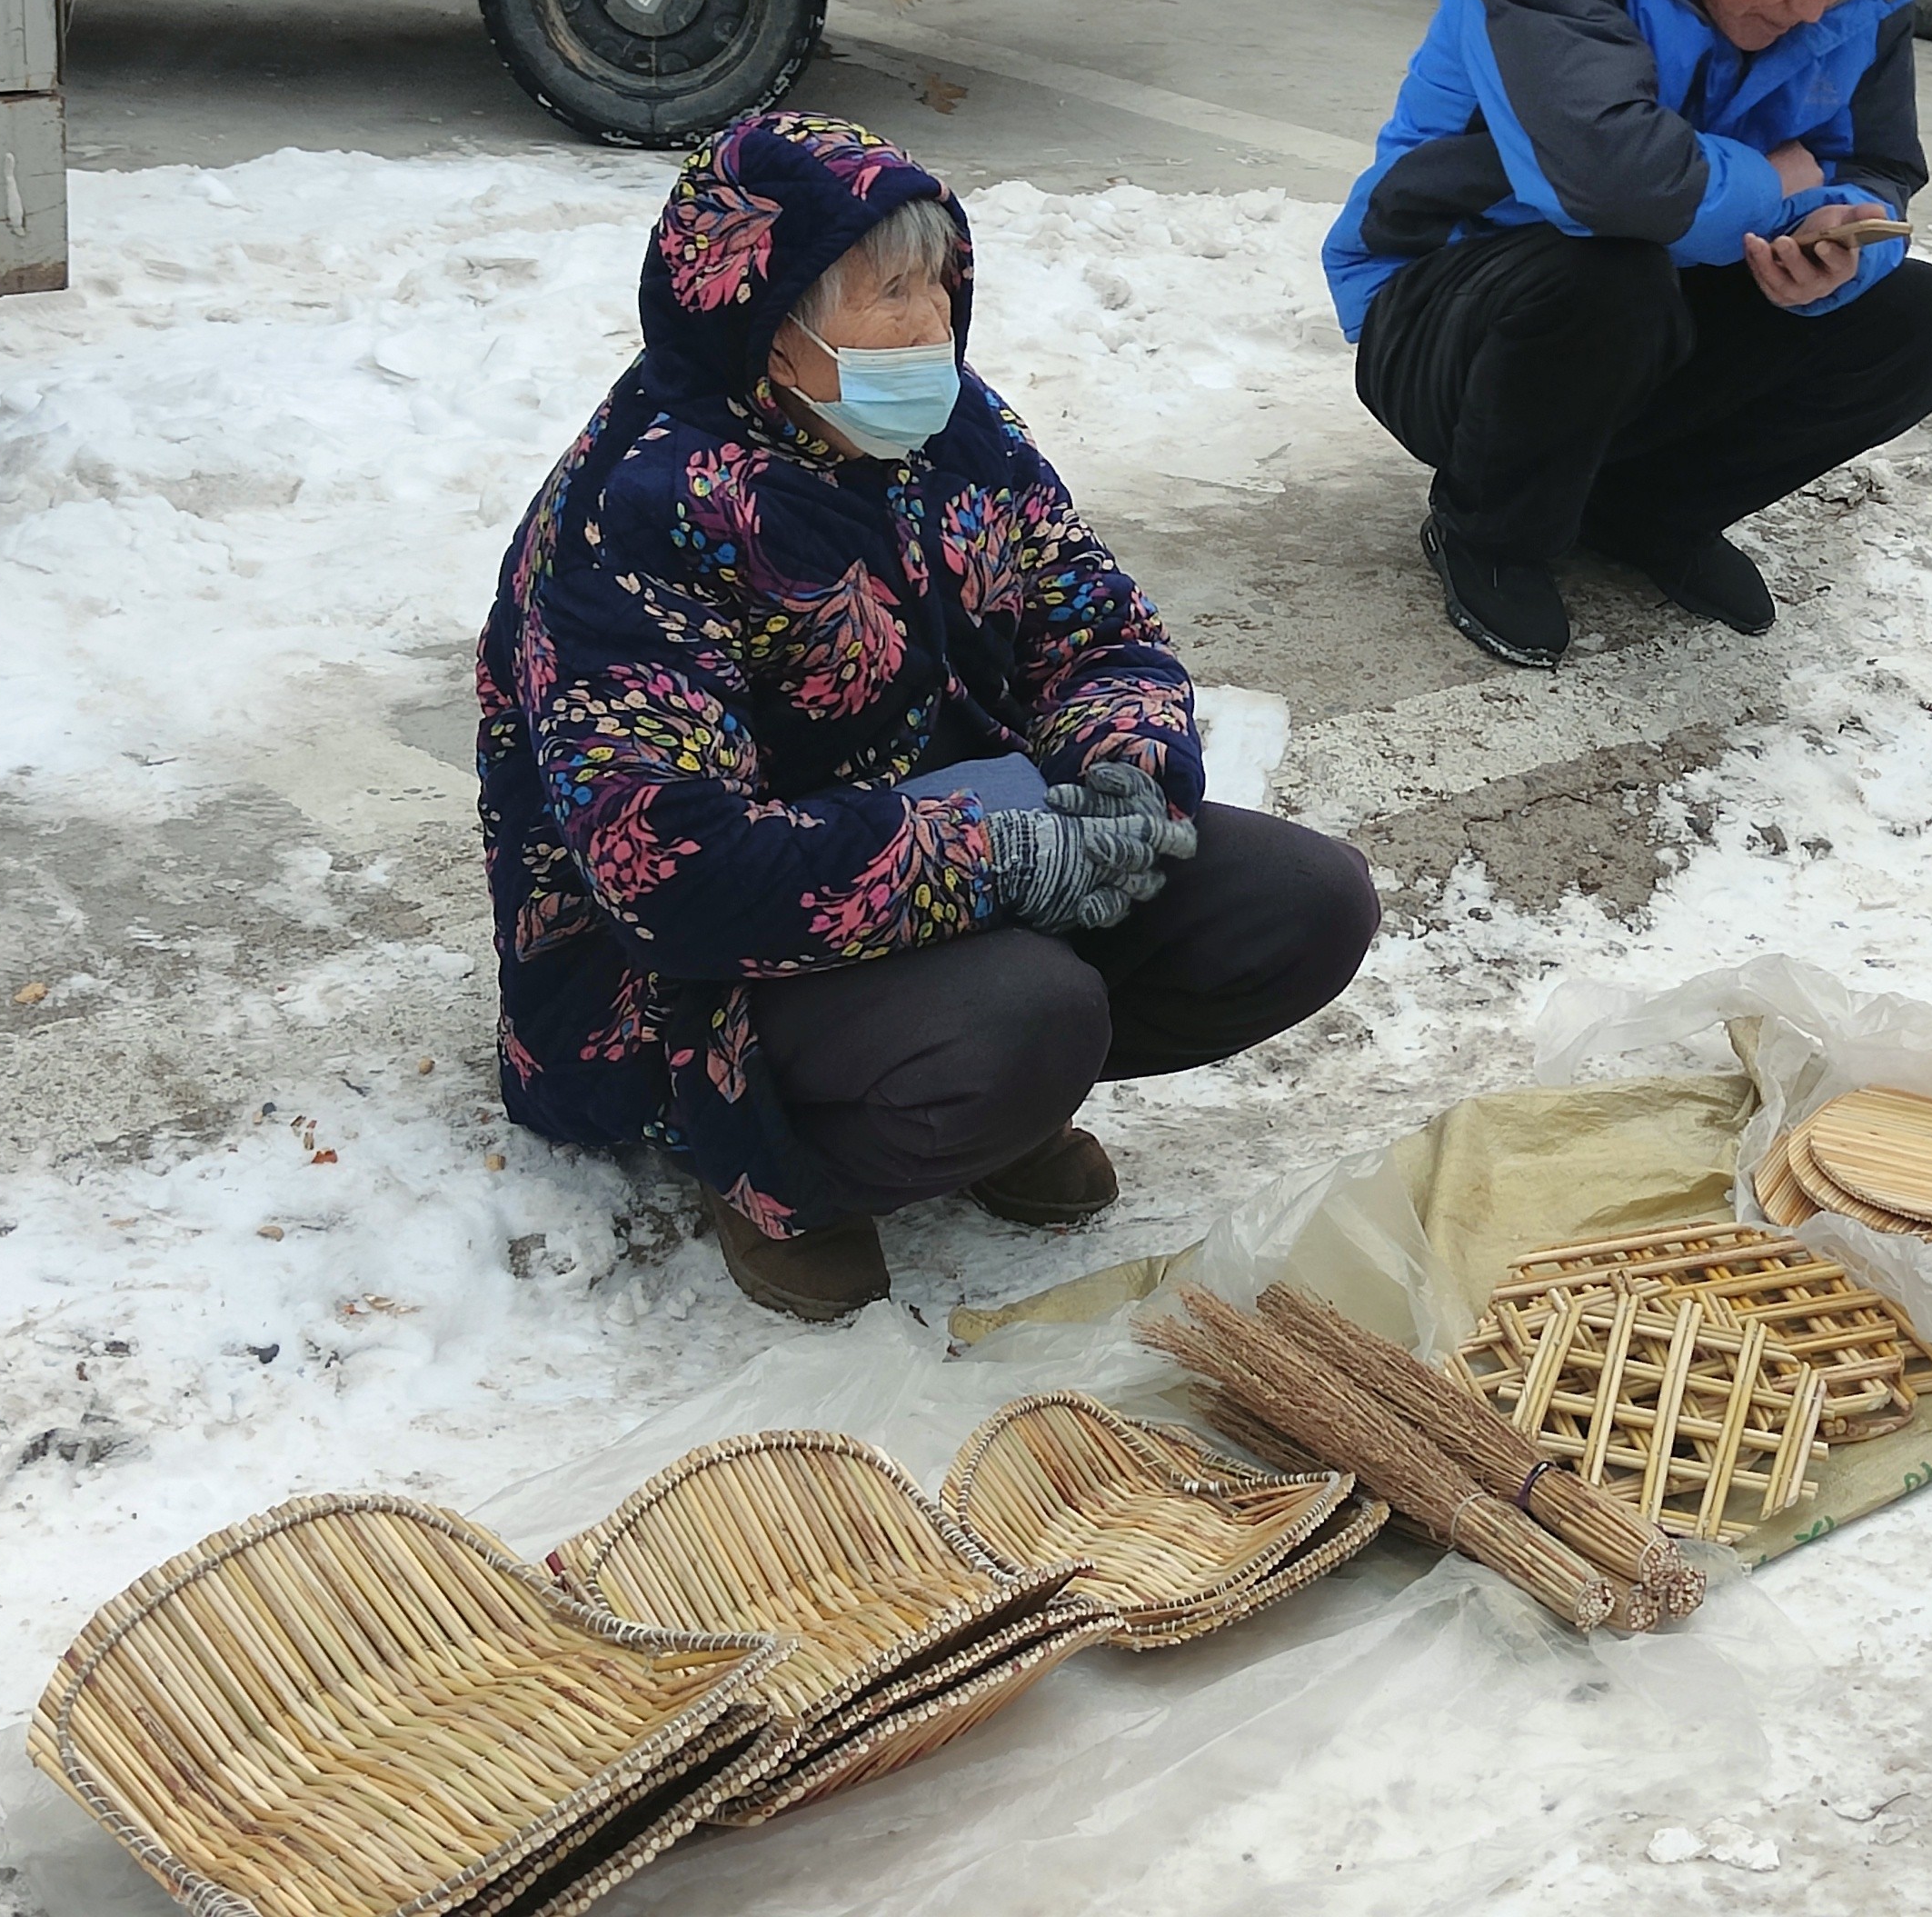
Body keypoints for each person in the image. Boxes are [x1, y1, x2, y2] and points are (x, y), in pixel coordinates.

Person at [476, 114, 1381, 1321]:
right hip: (691, 973)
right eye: (885, 295)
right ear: (763, 315)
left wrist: (1125, 774)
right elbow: (674, 871)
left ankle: (982, 1097)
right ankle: (767, 1167)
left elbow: (1094, 616)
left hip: (961, 856)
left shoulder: (951, 427)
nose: (928, 328)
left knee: (1306, 905)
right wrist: (993, 859)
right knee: (1028, 1021)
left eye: (940, 288)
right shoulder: (637, 512)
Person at [1325, 0, 1932, 669]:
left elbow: (1880, 164)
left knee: (1918, 321)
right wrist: (1779, 182)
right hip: (1443, 307)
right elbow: (1611, 183)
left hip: (1654, 294)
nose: (1818, 5)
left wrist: (1840, 239)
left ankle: (1644, 509)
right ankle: (1491, 526)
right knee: (1610, 275)